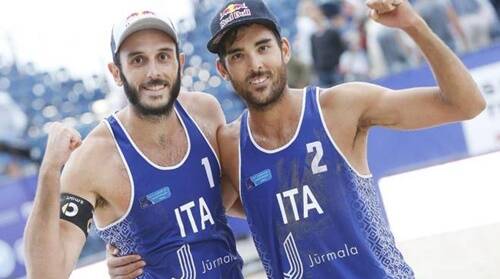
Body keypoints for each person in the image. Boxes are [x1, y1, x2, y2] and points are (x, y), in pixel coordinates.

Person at [109, 0, 485, 278]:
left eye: (263, 47)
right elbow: (190, 215)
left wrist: (412, 24)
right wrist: (126, 258)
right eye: (238, 55)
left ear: (284, 49)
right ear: (223, 70)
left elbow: (466, 104)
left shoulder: (339, 107)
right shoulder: (230, 145)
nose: (255, 65)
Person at [23, 11, 244, 279]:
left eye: (163, 56)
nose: (154, 72)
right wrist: (49, 172)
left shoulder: (206, 112)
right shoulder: (93, 158)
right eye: (138, 60)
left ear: (179, 63)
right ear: (116, 72)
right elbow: (45, 274)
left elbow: (222, 200)